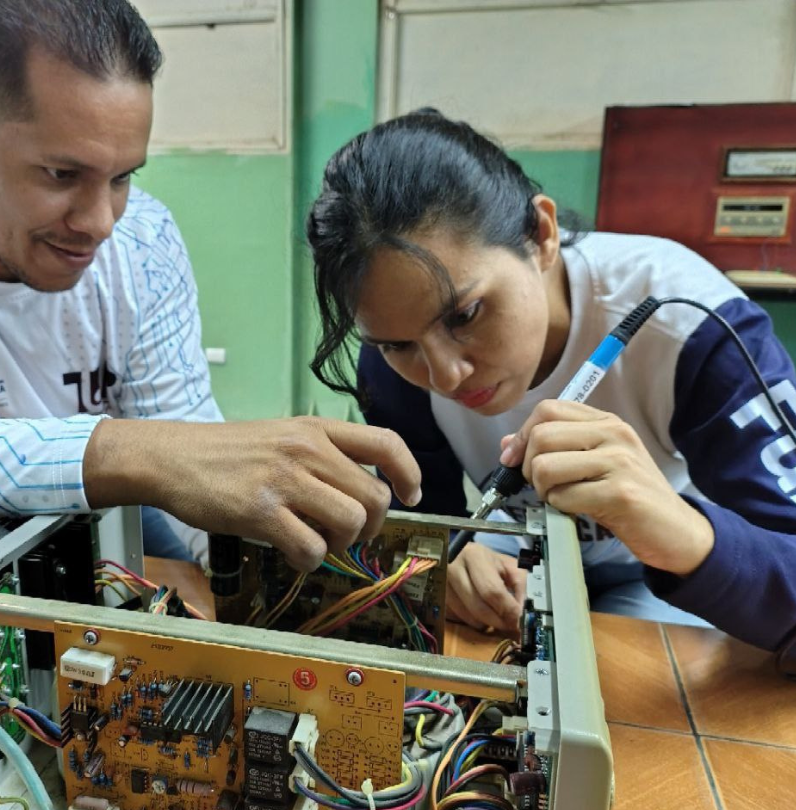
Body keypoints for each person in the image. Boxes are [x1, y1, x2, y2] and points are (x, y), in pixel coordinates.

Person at [0, 0, 421, 574]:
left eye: (123, 177)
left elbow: (192, 475)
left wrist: (361, 563)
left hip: (99, 547)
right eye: (61, 175)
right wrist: (122, 449)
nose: (99, 223)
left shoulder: (144, 241)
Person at [305, 107, 796, 654]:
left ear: (540, 234)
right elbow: (427, 513)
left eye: (465, 315)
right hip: (509, 557)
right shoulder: (390, 357)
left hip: (655, 570)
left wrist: (684, 536)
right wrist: (449, 551)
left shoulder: (696, 329)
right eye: (397, 344)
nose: (444, 375)